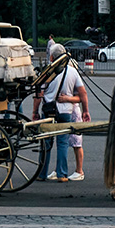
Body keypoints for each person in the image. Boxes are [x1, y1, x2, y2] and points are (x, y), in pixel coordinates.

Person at [33, 42, 88, 182]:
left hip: (49, 110)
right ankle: (62, 174)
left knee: (46, 143)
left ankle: (42, 173)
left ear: (52, 57)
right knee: (62, 143)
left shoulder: (47, 72)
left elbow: (39, 95)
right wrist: (85, 111)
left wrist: (35, 111)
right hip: (66, 111)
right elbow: (83, 94)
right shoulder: (73, 71)